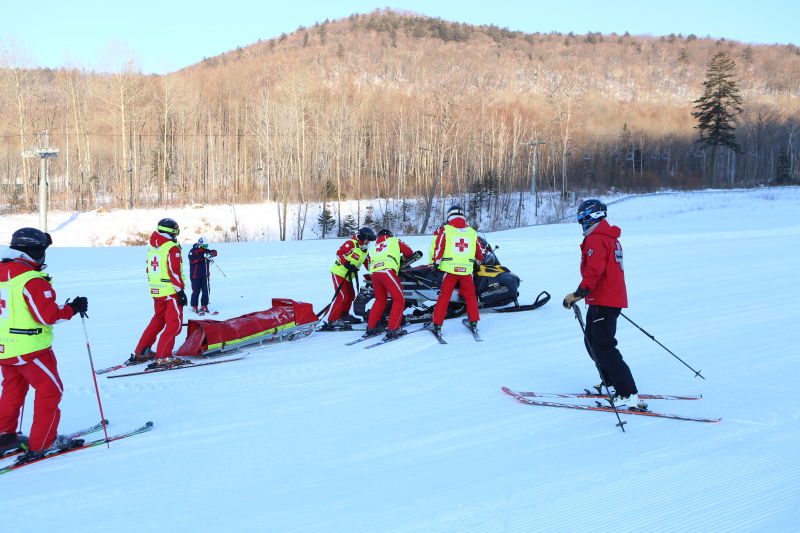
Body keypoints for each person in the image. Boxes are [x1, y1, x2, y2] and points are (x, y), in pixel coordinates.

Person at [0, 228, 89, 465]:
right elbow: (48, 316)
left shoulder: (3, 271)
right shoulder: (32, 280)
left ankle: (4, 435)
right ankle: (43, 442)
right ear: (36, 251)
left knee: (13, 389)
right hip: (31, 349)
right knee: (50, 391)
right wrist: (73, 308)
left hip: (5, 349)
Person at [562, 199, 646, 410]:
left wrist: (577, 294)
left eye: (582, 216)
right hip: (605, 299)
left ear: (591, 215)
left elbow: (594, 272)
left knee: (604, 346)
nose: (580, 221)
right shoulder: (608, 237)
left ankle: (627, 392)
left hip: (604, 300)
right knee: (592, 342)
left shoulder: (597, 239)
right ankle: (610, 382)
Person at [131, 218, 189, 368]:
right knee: (174, 325)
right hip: (171, 293)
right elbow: (174, 272)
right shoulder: (171, 247)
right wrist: (180, 291)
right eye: (176, 230)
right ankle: (164, 356)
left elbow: (148, 269)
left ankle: (141, 351)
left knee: (157, 321)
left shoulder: (153, 248)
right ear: (172, 232)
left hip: (157, 292)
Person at [429, 206, 484, 336]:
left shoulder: (446, 230)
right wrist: (479, 260)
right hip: (466, 271)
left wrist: (436, 263)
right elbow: (479, 251)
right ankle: (474, 323)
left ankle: (437, 325)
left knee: (444, 298)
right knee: (471, 297)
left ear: (449, 216)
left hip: (450, 270)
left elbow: (439, 247)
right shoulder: (471, 231)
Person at [363, 229, 415, 340]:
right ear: (390, 235)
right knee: (399, 300)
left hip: (375, 274)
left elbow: (368, 262)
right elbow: (409, 252)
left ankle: (371, 328)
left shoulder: (374, 247)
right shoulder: (394, 240)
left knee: (380, 300)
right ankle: (393, 329)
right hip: (387, 271)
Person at [324, 226, 376, 329]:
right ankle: (332, 319)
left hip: (348, 276)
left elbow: (369, 264)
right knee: (342, 296)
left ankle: (344, 316)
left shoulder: (364, 250)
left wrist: (376, 271)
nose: (368, 242)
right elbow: (339, 253)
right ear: (362, 237)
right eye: (367, 240)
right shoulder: (352, 243)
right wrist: (346, 263)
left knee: (351, 295)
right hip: (339, 272)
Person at [188, 236, 218, 314]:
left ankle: (204, 306)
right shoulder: (193, 251)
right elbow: (192, 259)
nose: (206, 247)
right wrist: (203, 256)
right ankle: (194, 306)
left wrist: (211, 254)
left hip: (204, 275)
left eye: (206, 246)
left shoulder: (206, 251)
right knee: (196, 291)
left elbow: (215, 252)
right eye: (204, 246)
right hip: (195, 276)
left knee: (205, 291)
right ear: (200, 244)